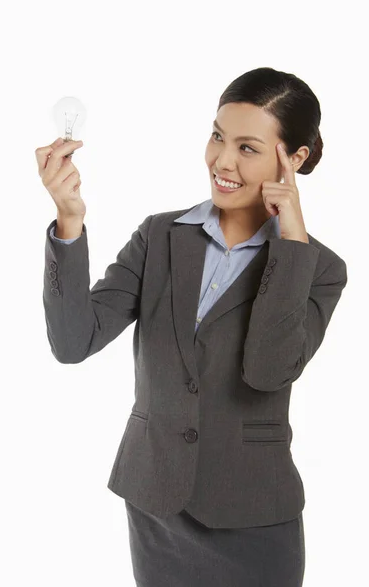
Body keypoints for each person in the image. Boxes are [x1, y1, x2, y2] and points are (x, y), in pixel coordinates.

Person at [36, 66, 348, 587]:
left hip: (254, 513)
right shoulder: (159, 236)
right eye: (217, 136)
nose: (222, 161)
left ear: (293, 159)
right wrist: (69, 219)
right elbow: (73, 342)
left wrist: (291, 245)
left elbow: (269, 370)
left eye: (248, 148)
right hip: (157, 503)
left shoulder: (319, 269)